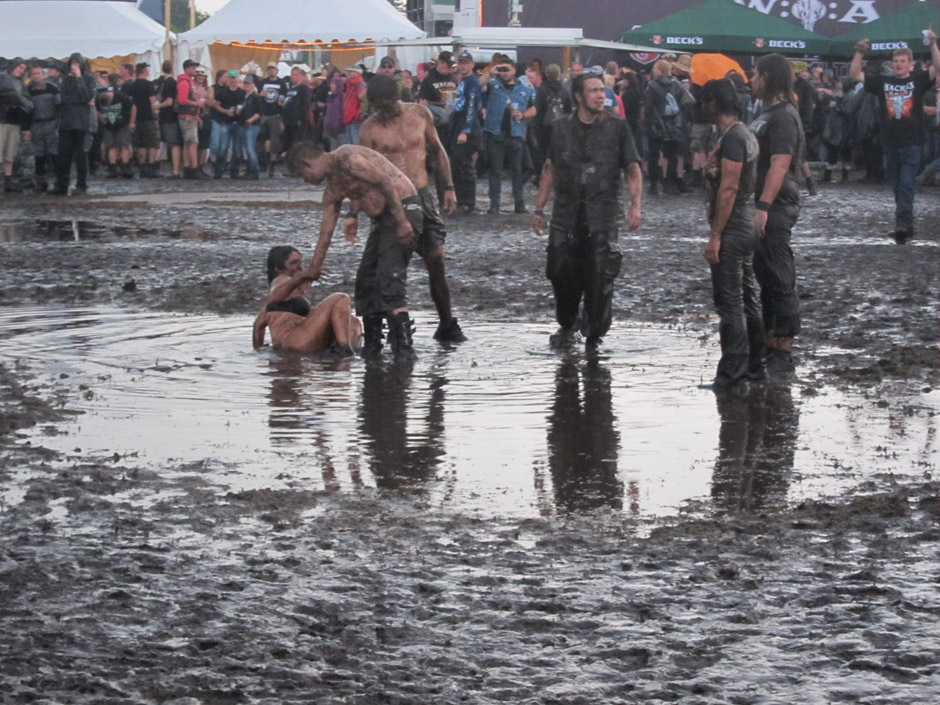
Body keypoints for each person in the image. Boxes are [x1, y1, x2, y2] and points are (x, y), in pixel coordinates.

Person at [532, 73, 643, 352]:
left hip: (602, 214)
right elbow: (549, 168)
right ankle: (567, 325)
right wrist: (539, 209)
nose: (599, 95)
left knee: (600, 276)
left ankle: (594, 334)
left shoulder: (617, 127)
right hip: (565, 214)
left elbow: (632, 168)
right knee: (561, 272)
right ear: (578, 96)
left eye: (601, 91)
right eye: (593, 91)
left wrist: (635, 205)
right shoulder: (560, 128)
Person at [288, 141, 423, 362]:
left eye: (303, 175)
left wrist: (402, 221)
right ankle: (373, 346)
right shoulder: (333, 189)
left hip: (404, 208)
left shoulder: (346, 157)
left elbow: (386, 181)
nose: (306, 181)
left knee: (389, 279)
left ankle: (405, 349)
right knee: (366, 282)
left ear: (307, 163)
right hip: (381, 220)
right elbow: (325, 233)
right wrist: (311, 273)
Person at [360, 74, 466, 344]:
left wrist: (450, 187)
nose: (387, 111)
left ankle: (447, 322)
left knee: (436, 260)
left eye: (390, 104)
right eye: (381, 107)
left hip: (422, 193)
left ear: (398, 96)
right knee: (389, 266)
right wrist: (359, 210)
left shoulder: (420, 114)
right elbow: (364, 176)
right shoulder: (370, 129)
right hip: (392, 202)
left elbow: (438, 150)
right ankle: (387, 332)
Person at [700, 79, 763, 388]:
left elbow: (729, 188)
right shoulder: (743, 134)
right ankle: (754, 366)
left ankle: (733, 372)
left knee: (731, 300)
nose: (702, 108)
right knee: (748, 297)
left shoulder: (734, 138)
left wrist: (715, 235)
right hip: (746, 221)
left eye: (705, 102)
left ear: (715, 103)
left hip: (735, 223)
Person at [849, 32, 940, 243]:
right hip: (889, 142)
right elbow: (855, 74)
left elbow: (937, 65)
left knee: (907, 183)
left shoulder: (918, 79)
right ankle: (906, 222)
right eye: (896, 61)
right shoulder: (884, 81)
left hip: (912, 142)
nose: (898, 65)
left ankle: (902, 223)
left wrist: (933, 44)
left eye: (902, 61)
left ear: (910, 64)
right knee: (897, 184)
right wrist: (860, 52)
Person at [748, 53, 806, 376]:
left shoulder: (784, 116)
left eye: (755, 75)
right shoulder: (767, 114)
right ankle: (771, 343)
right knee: (766, 274)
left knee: (780, 274)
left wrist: (764, 206)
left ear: (768, 77)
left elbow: (780, 163)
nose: (751, 80)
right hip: (764, 205)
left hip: (777, 206)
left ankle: (784, 349)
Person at [253, 245, 362, 355]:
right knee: (341, 298)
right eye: (293, 263)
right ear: (278, 268)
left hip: (295, 344)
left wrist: (259, 351)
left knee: (352, 321)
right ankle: (346, 351)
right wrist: (302, 276)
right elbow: (275, 295)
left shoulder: (275, 303)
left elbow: (258, 326)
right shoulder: (280, 280)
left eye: (300, 262)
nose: (299, 267)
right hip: (295, 341)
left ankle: (346, 351)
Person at [483, 59, 536, 214]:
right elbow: (480, 85)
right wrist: (491, 72)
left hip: (516, 133)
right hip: (496, 132)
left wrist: (523, 114)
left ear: (514, 70)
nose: (504, 72)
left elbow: (534, 108)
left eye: (507, 69)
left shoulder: (525, 89)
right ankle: (494, 204)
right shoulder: (493, 85)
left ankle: (519, 204)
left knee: (517, 170)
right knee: (495, 170)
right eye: (502, 69)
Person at [645, 59, 695, 195]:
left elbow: (648, 106)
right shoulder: (676, 85)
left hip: (656, 124)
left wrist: (647, 122)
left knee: (654, 155)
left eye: (655, 68)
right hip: (674, 124)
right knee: (672, 155)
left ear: (660, 70)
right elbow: (688, 102)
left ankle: (654, 185)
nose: (653, 70)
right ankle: (670, 185)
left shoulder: (652, 85)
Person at [52, 52, 95, 196]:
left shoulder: (88, 79)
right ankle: (62, 184)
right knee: (63, 155)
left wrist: (79, 79)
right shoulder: (65, 80)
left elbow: (87, 97)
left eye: (76, 64)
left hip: (82, 123)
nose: (74, 66)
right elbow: (63, 99)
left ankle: (81, 185)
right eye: (72, 63)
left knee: (82, 156)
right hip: (66, 122)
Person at [450, 49, 483, 214]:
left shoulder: (472, 82)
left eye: (466, 63)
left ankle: (469, 202)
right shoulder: (463, 81)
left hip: (468, 126)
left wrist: (465, 130)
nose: (463, 66)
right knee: (457, 164)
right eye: (461, 63)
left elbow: (471, 107)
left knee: (465, 164)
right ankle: (462, 199)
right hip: (459, 123)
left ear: (472, 64)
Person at [23, 65, 59, 192]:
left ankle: (58, 181)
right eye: (33, 74)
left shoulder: (52, 88)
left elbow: (59, 107)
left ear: (43, 74)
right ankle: (40, 182)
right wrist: (26, 128)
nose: (36, 76)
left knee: (54, 153)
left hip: (51, 123)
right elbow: (26, 112)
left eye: (38, 73)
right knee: (39, 155)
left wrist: (58, 126)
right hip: (35, 125)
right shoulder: (27, 90)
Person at [0, 58, 32, 193]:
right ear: (13, 67)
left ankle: (8, 180)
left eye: (24, 69)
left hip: (14, 122)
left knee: (10, 153)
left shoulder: (21, 85)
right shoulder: (2, 78)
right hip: (1, 120)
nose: (21, 70)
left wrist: (25, 126)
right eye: (20, 67)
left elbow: (27, 104)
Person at [128, 63, 159, 177]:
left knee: (140, 144)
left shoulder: (132, 85)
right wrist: (155, 115)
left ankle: (142, 168)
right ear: (145, 71)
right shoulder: (149, 85)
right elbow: (153, 102)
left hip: (136, 118)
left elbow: (131, 102)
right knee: (152, 143)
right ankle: (151, 168)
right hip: (148, 117)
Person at [176, 59, 203, 179]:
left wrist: (196, 116)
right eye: (192, 67)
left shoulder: (188, 81)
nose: (195, 70)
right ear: (187, 69)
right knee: (192, 142)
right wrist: (196, 104)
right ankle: (194, 167)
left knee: (188, 142)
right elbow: (182, 100)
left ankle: (188, 167)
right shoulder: (184, 82)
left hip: (190, 115)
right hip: (187, 115)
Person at [258, 61, 286, 175]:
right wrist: (261, 95)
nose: (271, 71)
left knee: (275, 140)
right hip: (263, 114)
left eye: (273, 69)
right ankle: (263, 161)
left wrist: (282, 104)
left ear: (277, 70)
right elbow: (257, 96)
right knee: (262, 139)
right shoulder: (262, 82)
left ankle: (272, 164)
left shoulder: (282, 83)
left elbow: (284, 99)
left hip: (275, 115)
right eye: (269, 69)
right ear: (267, 71)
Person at [155, 60, 181, 178]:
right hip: (171, 116)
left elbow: (168, 101)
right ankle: (175, 170)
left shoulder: (164, 83)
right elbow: (170, 101)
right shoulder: (172, 82)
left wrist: (157, 106)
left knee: (167, 142)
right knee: (172, 143)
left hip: (166, 116)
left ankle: (172, 170)